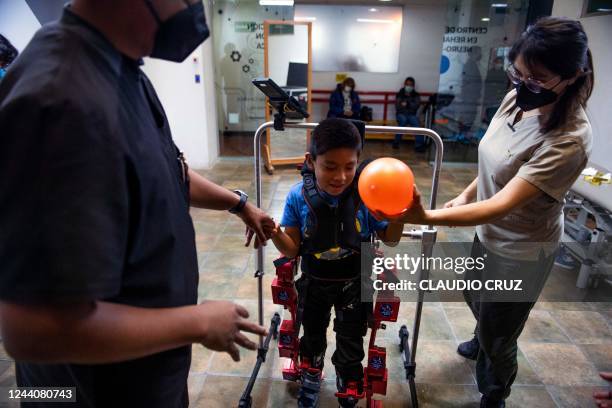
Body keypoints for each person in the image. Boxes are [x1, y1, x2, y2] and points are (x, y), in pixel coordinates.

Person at [0, 1, 274, 407]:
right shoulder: (60, 100)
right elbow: (33, 330)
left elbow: (167, 168)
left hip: (145, 376)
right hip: (93, 391)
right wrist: (196, 322)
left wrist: (238, 204)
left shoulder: (123, 72)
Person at [389, 17, 594, 408]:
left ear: (571, 77)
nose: (522, 85)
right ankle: (485, 333)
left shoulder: (569, 138)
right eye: (518, 73)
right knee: (472, 292)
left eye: (537, 80)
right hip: (490, 235)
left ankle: (494, 391)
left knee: (501, 335)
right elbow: (495, 158)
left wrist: (426, 218)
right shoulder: (517, 96)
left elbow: (504, 202)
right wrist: (466, 195)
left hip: (521, 249)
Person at [270, 118, 404, 407]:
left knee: (351, 340)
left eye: (349, 166)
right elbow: (292, 250)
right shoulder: (298, 196)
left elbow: (391, 238)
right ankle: (311, 372)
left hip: (354, 284)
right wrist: (273, 232)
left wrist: (399, 213)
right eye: (330, 166)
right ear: (311, 161)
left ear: (358, 162)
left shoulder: (367, 194)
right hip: (315, 282)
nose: (340, 176)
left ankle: (348, 379)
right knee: (312, 335)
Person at [393, 76, 424, 151]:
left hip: (411, 115)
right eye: (407, 84)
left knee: (416, 123)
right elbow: (398, 106)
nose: (408, 86)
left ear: (413, 86)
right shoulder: (400, 94)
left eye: (410, 85)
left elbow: (416, 105)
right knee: (403, 120)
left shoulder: (416, 95)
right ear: (404, 84)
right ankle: (396, 143)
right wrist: (409, 105)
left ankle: (419, 146)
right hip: (401, 114)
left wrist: (407, 104)